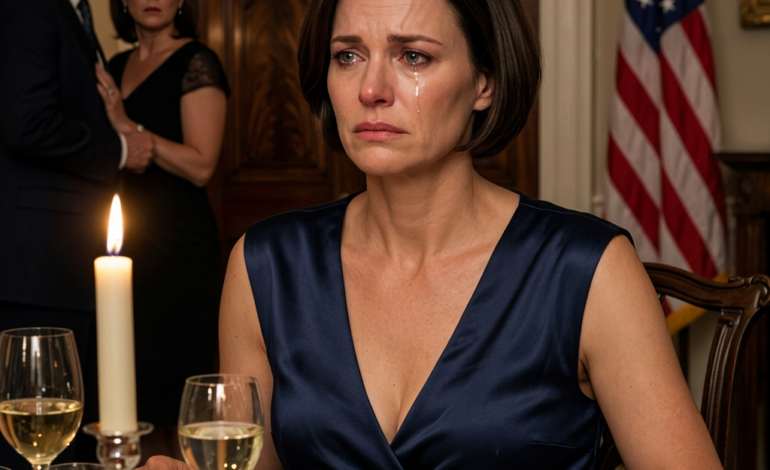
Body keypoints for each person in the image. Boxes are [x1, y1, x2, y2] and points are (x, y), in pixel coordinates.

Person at [141, 0, 723, 468]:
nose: (371, 88)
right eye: (348, 56)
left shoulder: (588, 270)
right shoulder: (265, 265)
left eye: (413, 56)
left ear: (484, 82)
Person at [0, 0, 153, 465]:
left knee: (69, 431)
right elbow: (26, 122)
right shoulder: (31, 7)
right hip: (39, 266)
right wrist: (120, 149)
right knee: (32, 435)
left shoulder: (72, 12)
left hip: (61, 263)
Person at [93, 0, 229, 457]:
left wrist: (127, 126)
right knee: (125, 387)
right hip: (125, 245)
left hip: (179, 250)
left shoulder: (197, 61)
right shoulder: (114, 66)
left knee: (174, 390)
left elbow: (202, 165)